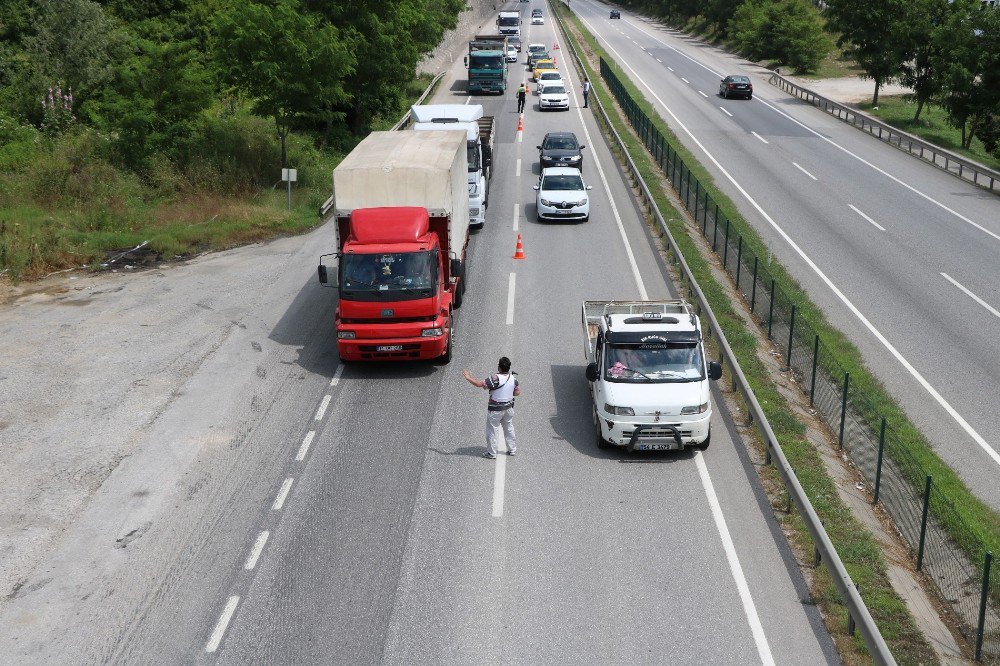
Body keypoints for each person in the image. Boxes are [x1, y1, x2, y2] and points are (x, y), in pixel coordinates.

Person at [463, 357, 521, 459]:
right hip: (508, 409)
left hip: (495, 410)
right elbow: (517, 392)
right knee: (509, 428)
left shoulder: (495, 378)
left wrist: (468, 377)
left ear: (499, 367)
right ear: (508, 367)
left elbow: (479, 384)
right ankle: (512, 449)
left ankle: (492, 453)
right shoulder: (513, 379)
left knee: (492, 431)